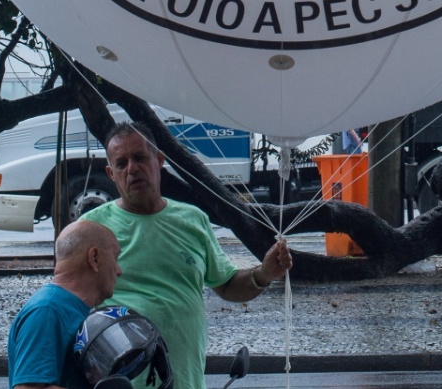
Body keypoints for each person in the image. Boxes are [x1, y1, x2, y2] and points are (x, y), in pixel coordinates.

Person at [81, 123, 293, 389]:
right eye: (121, 163)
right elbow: (70, 302)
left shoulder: (192, 220)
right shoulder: (91, 229)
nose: (132, 169)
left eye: (140, 157)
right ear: (111, 174)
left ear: (159, 161)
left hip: (186, 379)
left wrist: (265, 273)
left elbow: (226, 285)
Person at [9, 218, 121, 389]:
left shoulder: (69, 308)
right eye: (115, 257)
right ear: (94, 258)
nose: (119, 271)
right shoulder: (47, 311)